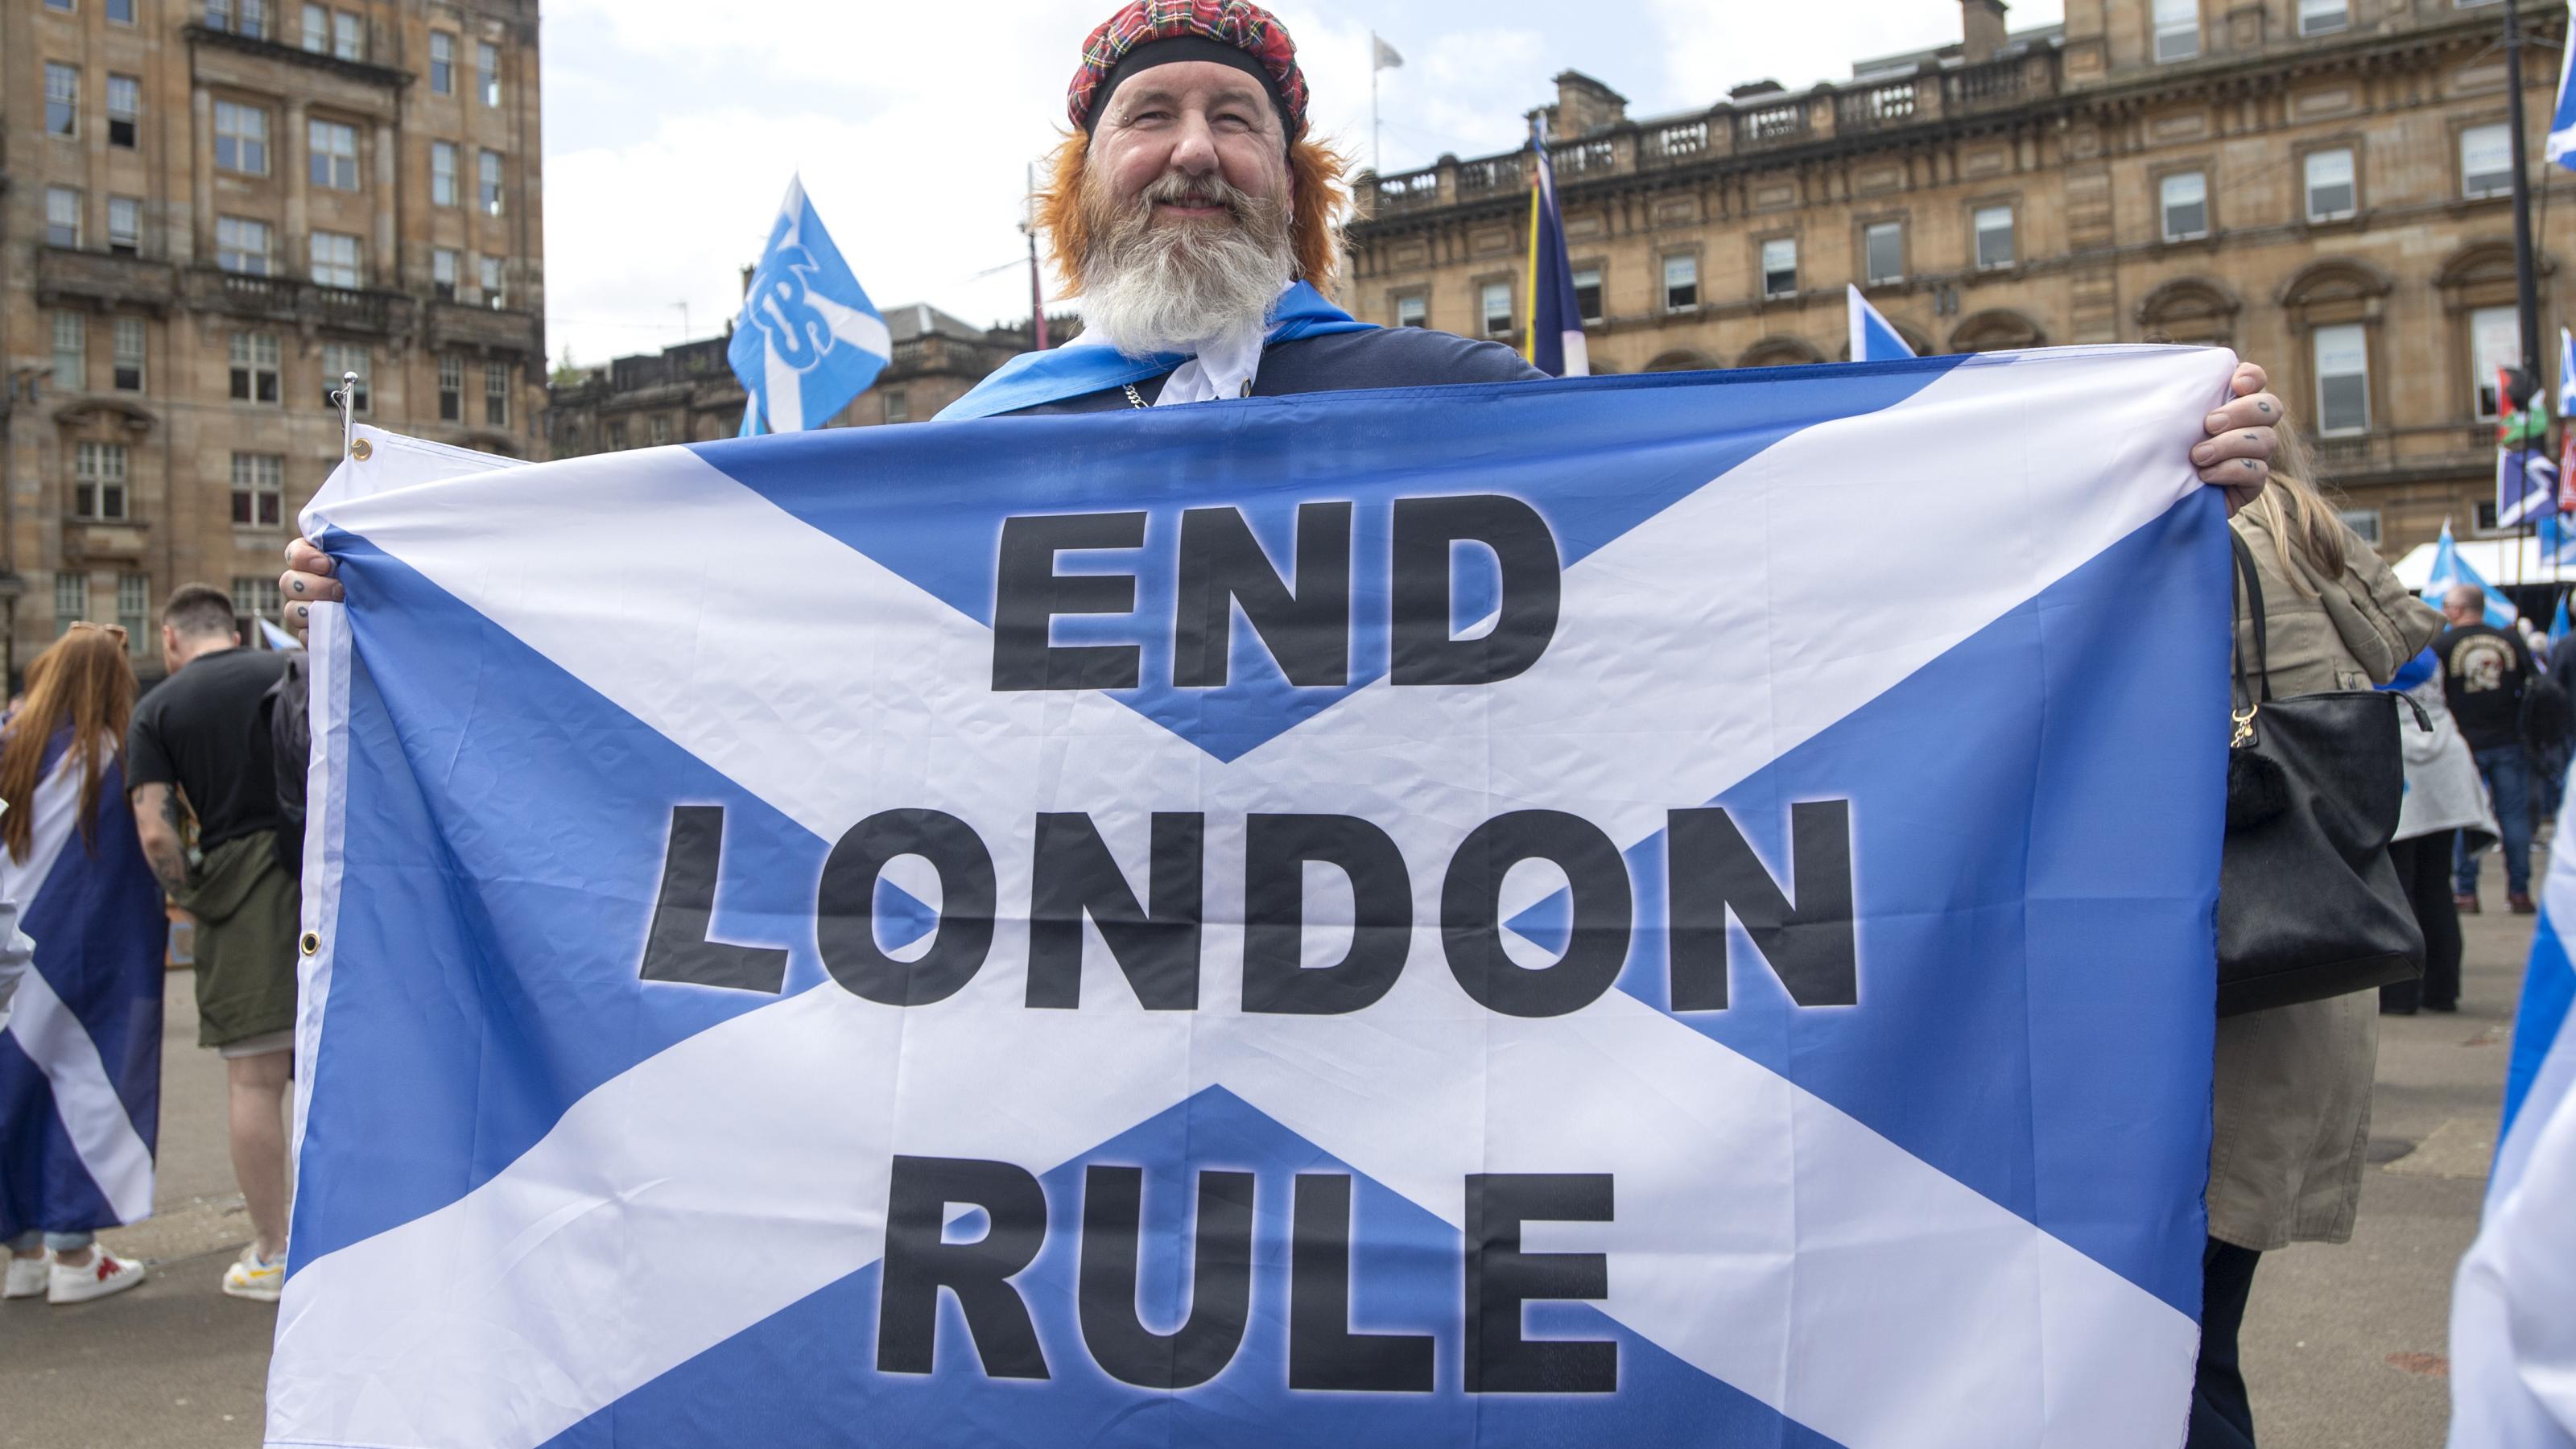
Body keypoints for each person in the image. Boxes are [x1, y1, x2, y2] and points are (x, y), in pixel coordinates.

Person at [281, 0, 2284, 620]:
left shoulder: (1453, 393)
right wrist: (408, 592)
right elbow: (709, 625)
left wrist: (2118, 472)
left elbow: (1763, 534)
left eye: (1238, 121)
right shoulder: (971, 440)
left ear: (1296, 191)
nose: (1189, 151)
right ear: (1077, 194)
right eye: (1146, 119)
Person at [2202, 448, 2443, 1449]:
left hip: (2219, 999)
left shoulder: (2192, 541)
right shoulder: (2309, 538)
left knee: (2173, 1357)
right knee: (2201, 1341)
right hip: (2301, 969)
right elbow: (2400, 656)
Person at [126, 586, 296, 1302]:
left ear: (169, 639)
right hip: (324, 872)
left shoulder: (157, 709)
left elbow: (158, 831)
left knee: (255, 1081)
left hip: (240, 888)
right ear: (232, 629)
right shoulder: (286, 672)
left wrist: (190, 890)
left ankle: (276, 1250)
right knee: (336, 1068)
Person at [0, 625, 164, 1306]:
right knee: (92, 1089)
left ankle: (22, 1254)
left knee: (13, 1093)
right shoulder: (116, 754)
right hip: (96, 951)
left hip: (13, 944)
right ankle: (76, 1253)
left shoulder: (13, 747)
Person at [2377, 647, 2496, 1015]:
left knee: (2399, 889)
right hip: (2444, 760)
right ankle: (2442, 992)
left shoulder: (2377, 651)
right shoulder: (2428, 652)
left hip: (2397, 760)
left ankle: (2399, 996)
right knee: (2435, 885)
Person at [2435, 584, 2540, 914]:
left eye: (2447, 605)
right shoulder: (2510, 640)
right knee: (2514, 818)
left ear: (2458, 609)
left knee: (2468, 818)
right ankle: (2519, 892)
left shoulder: (2444, 644)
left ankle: (2467, 893)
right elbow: (2534, 683)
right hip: (2508, 740)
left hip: (2465, 743)